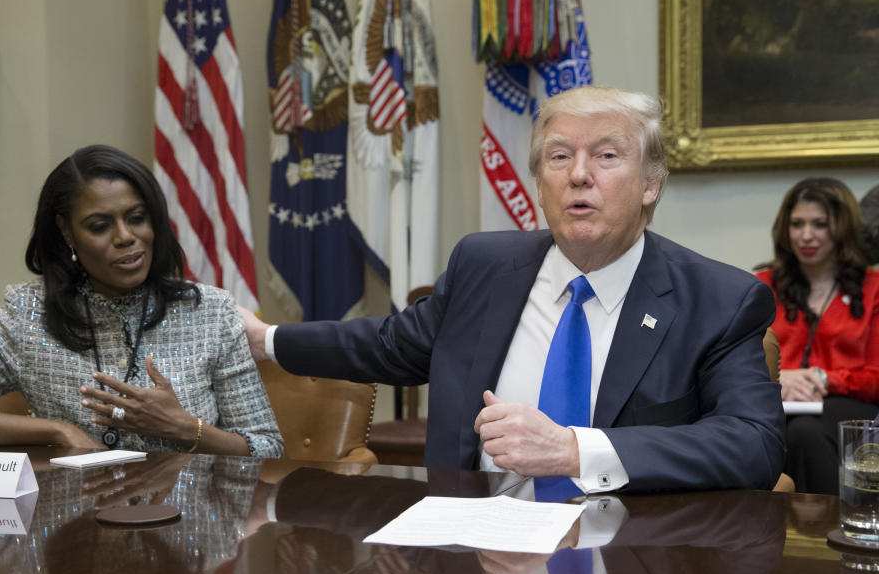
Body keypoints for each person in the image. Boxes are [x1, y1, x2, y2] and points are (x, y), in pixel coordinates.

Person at [241, 86, 785, 492]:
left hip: (628, 559)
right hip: (473, 555)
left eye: (606, 156)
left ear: (650, 185)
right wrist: (266, 340)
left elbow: (753, 444)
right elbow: (390, 344)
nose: (578, 175)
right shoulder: (484, 265)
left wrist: (575, 450)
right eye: (558, 156)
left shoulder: (718, 299)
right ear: (539, 185)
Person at [0, 145, 283, 457]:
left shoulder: (210, 312)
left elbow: (267, 447)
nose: (126, 237)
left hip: (191, 527)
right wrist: (55, 432)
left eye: (137, 218)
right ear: (66, 232)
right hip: (73, 526)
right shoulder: (29, 313)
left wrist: (187, 428)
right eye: (99, 226)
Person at [756, 177, 879, 494]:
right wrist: (781, 380)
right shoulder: (762, 286)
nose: (806, 236)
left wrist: (821, 379)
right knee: (765, 430)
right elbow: (737, 360)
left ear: (843, 228)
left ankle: (824, 531)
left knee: (804, 432)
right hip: (777, 404)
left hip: (849, 406)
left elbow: (875, 375)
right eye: (797, 224)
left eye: (819, 224)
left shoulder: (873, 288)